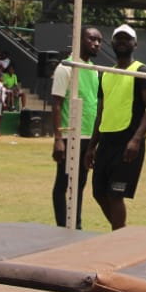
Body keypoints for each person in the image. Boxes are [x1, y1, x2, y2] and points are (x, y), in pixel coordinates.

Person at [86, 24, 146, 230]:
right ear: (112, 43)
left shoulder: (142, 71)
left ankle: (118, 238)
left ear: (135, 43)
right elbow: (101, 112)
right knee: (99, 193)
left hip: (128, 142)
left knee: (115, 194)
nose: (122, 42)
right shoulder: (106, 74)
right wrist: (92, 146)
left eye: (127, 39)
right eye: (118, 38)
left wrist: (136, 140)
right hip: (106, 141)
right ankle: (122, 233)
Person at [51, 27, 102, 229]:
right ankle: (63, 226)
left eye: (99, 40)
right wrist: (57, 138)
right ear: (79, 40)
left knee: (80, 184)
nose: (96, 43)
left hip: (88, 136)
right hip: (69, 135)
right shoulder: (66, 68)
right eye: (92, 39)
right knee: (63, 184)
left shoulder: (94, 71)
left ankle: (76, 225)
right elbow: (56, 103)